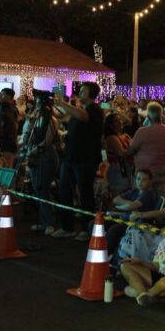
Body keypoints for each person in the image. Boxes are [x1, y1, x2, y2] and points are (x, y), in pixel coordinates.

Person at [54, 82, 105, 240]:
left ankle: (86, 228)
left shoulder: (94, 109)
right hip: (70, 157)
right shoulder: (79, 110)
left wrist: (62, 102)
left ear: (91, 94)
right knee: (64, 191)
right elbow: (65, 117)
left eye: (83, 91)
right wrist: (53, 107)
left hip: (85, 158)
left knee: (85, 193)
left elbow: (83, 116)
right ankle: (67, 226)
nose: (79, 93)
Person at [24, 95, 60, 235]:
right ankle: (44, 220)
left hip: (45, 156)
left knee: (43, 188)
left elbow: (47, 141)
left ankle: (50, 221)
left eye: (39, 103)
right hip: (35, 155)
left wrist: (33, 150)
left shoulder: (51, 120)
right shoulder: (36, 119)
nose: (37, 106)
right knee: (36, 188)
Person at [126, 102, 165, 199]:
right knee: (158, 204)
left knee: (141, 205)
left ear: (148, 116)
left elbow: (130, 151)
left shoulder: (142, 131)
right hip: (161, 172)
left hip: (144, 175)